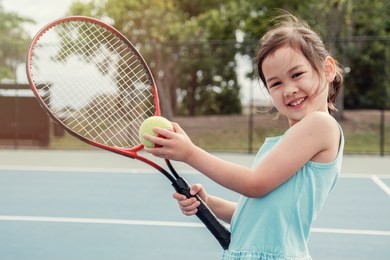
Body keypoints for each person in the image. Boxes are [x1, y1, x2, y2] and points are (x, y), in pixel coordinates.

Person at [143, 12, 344, 260]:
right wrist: (209, 203)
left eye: (297, 74)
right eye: (276, 83)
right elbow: (259, 215)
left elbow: (254, 184)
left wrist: (189, 153)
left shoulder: (320, 124)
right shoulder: (293, 140)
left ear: (328, 69)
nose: (289, 89)